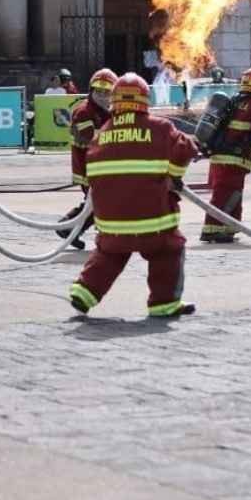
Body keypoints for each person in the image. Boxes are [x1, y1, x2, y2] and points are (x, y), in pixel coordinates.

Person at [68, 72, 198, 318]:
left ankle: (83, 292)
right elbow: (185, 149)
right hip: (154, 222)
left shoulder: (103, 132)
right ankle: (164, 304)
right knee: (169, 252)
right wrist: (173, 175)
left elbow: (92, 170)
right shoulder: (160, 127)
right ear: (144, 100)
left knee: (109, 254)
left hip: (112, 223)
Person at [201, 67, 251, 243]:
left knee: (231, 192)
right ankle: (212, 229)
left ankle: (227, 229)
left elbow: (236, 133)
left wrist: (248, 154)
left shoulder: (236, 101)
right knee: (227, 193)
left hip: (222, 155)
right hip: (233, 158)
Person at [56, 68, 117, 248]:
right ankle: (104, 237)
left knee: (95, 203)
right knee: (101, 202)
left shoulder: (106, 110)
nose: (103, 95)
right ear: (91, 90)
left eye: (107, 92)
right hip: (88, 168)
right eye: (99, 91)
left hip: (102, 167)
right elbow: (91, 138)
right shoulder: (83, 111)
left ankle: (68, 228)